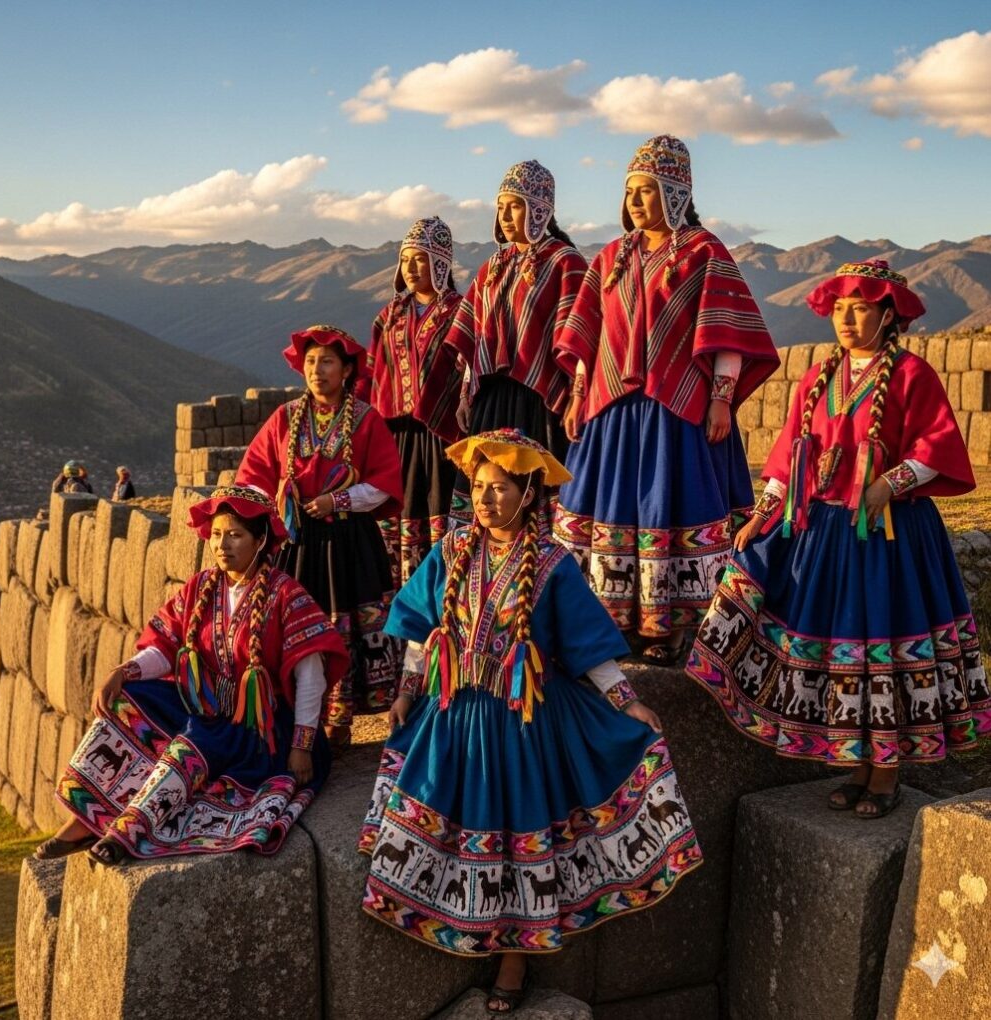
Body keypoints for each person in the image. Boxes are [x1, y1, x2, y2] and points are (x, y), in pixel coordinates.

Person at [360, 428, 702, 1013]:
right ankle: (458, 927)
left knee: (518, 843)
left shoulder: (552, 563)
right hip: (457, 717)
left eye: (500, 488)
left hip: (522, 726)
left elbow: (587, 646)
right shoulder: (450, 550)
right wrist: (407, 693)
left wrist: (626, 702)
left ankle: (515, 959)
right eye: (479, 487)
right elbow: (422, 633)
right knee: (452, 824)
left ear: (528, 495)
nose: (486, 499)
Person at [687, 260, 991, 817]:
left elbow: (938, 444)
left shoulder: (912, 375)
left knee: (884, 645)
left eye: (860, 308)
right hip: (826, 533)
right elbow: (789, 457)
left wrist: (889, 483)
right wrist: (763, 513)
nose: (846, 319)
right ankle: (857, 765)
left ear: (887, 315)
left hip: (891, 537)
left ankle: (887, 772)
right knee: (843, 646)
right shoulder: (815, 381)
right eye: (840, 309)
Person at [35, 485, 348, 863]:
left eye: (235, 535)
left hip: (262, 729)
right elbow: (166, 647)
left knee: (190, 747)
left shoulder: (287, 596)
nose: (222, 545)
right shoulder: (201, 588)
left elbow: (311, 676)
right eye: (216, 534)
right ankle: (87, 816)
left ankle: (127, 833)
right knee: (125, 699)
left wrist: (302, 746)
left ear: (260, 540)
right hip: (206, 706)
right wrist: (124, 671)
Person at [553, 135, 778, 662]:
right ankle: (614, 620)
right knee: (611, 509)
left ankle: (668, 628)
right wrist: (578, 395)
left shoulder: (704, 252)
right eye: (630, 190)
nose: (635, 201)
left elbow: (725, 331)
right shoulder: (611, 256)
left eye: (647, 190)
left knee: (667, 507)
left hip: (675, 409)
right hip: (612, 410)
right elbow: (590, 335)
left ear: (675, 193)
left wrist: (721, 397)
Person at [236, 324, 404, 751]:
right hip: (296, 544)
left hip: (350, 542)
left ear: (346, 370)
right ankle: (294, 716)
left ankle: (339, 720)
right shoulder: (284, 419)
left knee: (348, 625)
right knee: (294, 625)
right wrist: (272, 507)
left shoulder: (366, 420)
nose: (317, 370)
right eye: (310, 361)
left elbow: (384, 482)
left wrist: (338, 500)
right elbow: (254, 475)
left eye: (327, 361)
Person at [444, 160, 586, 521]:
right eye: (501, 206)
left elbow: (581, 336)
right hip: (491, 401)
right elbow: (476, 335)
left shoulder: (564, 262)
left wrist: (577, 396)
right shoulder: (492, 267)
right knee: (487, 495)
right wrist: (466, 395)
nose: (505, 216)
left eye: (516, 206)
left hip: (540, 401)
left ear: (539, 209)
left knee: (534, 500)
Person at [358, 217, 464, 585]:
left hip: (442, 436)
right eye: (405, 259)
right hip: (395, 437)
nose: (411, 268)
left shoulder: (460, 312)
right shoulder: (389, 317)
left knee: (439, 510)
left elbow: (470, 369)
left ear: (440, 262)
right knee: (397, 514)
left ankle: (444, 586)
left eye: (420, 259)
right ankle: (401, 593)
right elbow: (371, 373)